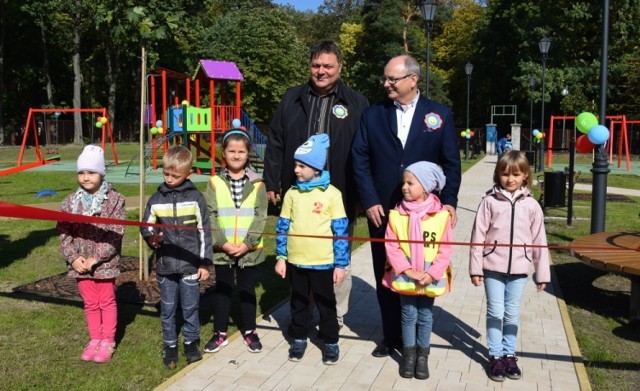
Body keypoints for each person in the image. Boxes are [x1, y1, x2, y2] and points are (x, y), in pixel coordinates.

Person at [352, 54, 461, 358]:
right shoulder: (373, 115)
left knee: (422, 271)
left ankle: (418, 339)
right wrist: (370, 199)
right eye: (385, 79)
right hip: (383, 210)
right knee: (387, 271)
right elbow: (359, 158)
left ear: (412, 80)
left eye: (392, 79)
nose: (386, 84)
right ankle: (392, 336)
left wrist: (449, 201)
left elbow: (451, 162)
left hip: (425, 215)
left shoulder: (439, 115)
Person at [264, 39, 368, 328]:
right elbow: (275, 142)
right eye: (315, 65)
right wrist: (272, 180)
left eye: (328, 66)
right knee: (301, 252)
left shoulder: (356, 102)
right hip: (299, 194)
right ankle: (303, 312)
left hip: (340, 196)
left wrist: (362, 194)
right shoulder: (292, 98)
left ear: (340, 67)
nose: (321, 71)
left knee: (338, 256)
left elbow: (364, 151)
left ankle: (333, 316)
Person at [469, 150, 550, 382]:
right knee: (495, 311)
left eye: (516, 174)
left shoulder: (532, 205)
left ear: (525, 175)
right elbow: (477, 236)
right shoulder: (488, 202)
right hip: (492, 267)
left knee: (512, 313)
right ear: (498, 175)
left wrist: (541, 273)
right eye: (505, 174)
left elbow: (539, 241)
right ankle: (495, 356)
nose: (510, 179)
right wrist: (475, 268)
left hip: (519, 271)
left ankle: (509, 354)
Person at [274, 134, 349, 365]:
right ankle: (298, 337)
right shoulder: (291, 194)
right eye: (295, 165)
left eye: (301, 166)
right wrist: (281, 257)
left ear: (316, 168)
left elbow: (341, 232)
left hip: (324, 262)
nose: (296, 170)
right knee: (298, 301)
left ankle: (330, 341)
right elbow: (282, 227)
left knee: (326, 303)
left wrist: (340, 264)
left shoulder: (332, 194)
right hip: (297, 261)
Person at [140, 145, 213, 369]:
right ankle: (169, 345)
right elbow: (146, 226)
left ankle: (191, 343)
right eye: (166, 174)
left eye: (175, 175)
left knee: (191, 308)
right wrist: (151, 238)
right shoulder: (156, 200)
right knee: (168, 308)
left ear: (188, 174)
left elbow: (204, 233)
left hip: (191, 266)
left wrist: (204, 263)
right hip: (166, 265)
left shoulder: (196, 198)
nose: (169, 179)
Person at [383, 161, 453, 380]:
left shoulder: (441, 217)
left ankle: (423, 356)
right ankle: (409, 355)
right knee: (408, 314)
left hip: (429, 278)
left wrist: (431, 273)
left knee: (425, 315)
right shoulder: (396, 215)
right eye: (403, 182)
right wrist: (407, 270)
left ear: (425, 186)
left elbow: (445, 249)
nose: (404, 186)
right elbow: (391, 245)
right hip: (407, 278)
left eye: (410, 183)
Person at [57, 145, 126, 363]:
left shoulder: (115, 200)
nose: (86, 177)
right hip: (79, 264)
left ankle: (108, 340)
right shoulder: (69, 202)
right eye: (81, 172)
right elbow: (63, 231)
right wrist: (73, 258)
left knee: (106, 301)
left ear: (101, 173)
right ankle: (95, 338)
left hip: (104, 264)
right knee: (90, 302)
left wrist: (96, 258)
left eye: (91, 172)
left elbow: (115, 232)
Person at [203, 130, 268, 354]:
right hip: (223, 249)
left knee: (247, 289)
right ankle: (220, 332)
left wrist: (247, 243)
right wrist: (223, 243)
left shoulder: (258, 184)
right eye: (232, 151)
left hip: (248, 250)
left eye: (241, 151)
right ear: (224, 153)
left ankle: (250, 330)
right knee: (222, 289)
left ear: (248, 154)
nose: (237, 155)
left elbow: (261, 216)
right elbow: (209, 215)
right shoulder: (214, 182)